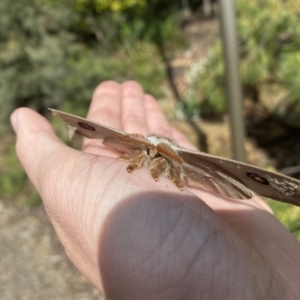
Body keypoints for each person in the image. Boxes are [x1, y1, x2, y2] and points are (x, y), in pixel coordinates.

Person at [11, 81, 300, 299]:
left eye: (157, 156)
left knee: (178, 162)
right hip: (145, 144)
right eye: (151, 155)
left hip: (185, 160)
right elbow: (139, 150)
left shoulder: (174, 157)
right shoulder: (144, 150)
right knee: (143, 151)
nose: (154, 159)